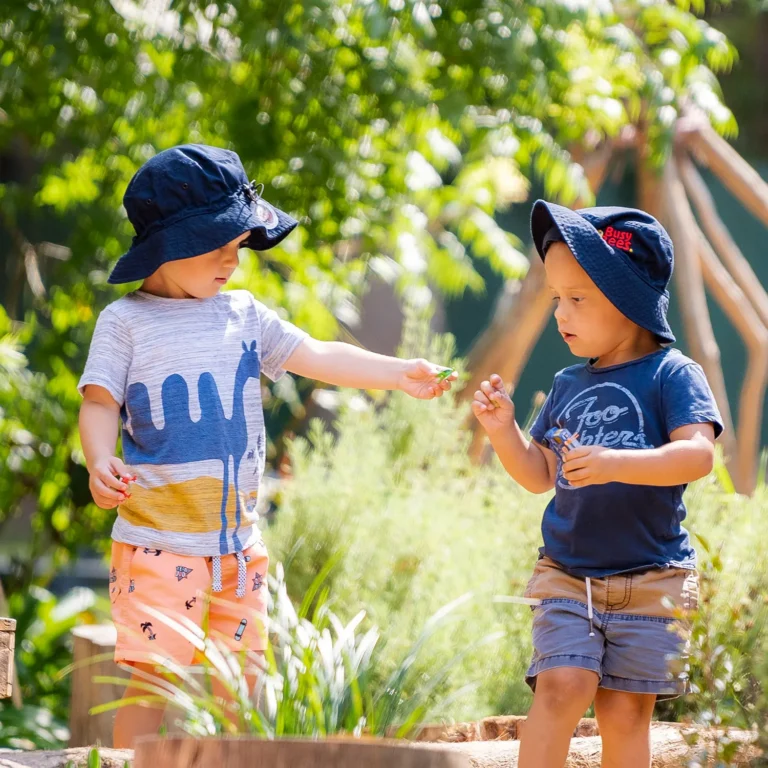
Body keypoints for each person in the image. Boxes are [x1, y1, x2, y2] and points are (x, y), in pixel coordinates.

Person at [78, 144, 458, 748]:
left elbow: (320, 355)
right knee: (154, 680)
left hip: (237, 545)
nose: (234, 260)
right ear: (167, 245)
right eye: (219, 246)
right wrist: (100, 461)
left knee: (246, 682)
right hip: (156, 540)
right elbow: (99, 402)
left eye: (239, 247)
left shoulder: (245, 315)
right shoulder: (126, 323)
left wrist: (398, 372)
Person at [472, 200, 723, 768]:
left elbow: (697, 456)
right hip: (568, 575)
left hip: (653, 578)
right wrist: (503, 430)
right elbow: (540, 476)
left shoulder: (673, 374)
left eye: (578, 299)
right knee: (562, 686)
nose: (561, 313)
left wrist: (616, 463)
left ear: (630, 302)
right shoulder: (566, 382)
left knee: (625, 714)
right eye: (557, 298)